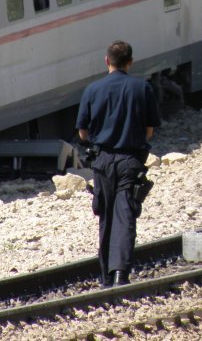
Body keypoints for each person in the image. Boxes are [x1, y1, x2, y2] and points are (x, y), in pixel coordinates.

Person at [76, 41, 161, 288]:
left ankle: (105, 279)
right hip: (130, 161)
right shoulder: (142, 88)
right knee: (125, 215)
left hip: (102, 162)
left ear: (106, 61)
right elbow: (149, 131)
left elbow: (82, 133)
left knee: (106, 217)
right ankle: (120, 275)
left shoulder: (92, 90)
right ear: (130, 62)